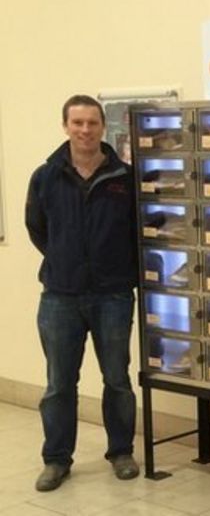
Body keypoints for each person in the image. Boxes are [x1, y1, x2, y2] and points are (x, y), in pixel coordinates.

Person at [25, 95, 140, 491]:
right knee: (59, 383)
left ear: (102, 127)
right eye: (78, 123)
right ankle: (56, 459)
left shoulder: (124, 177)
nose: (85, 130)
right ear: (65, 126)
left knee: (117, 379)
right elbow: (37, 228)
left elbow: (135, 234)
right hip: (60, 295)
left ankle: (121, 451)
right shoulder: (46, 176)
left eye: (92, 123)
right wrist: (65, 261)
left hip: (113, 295)